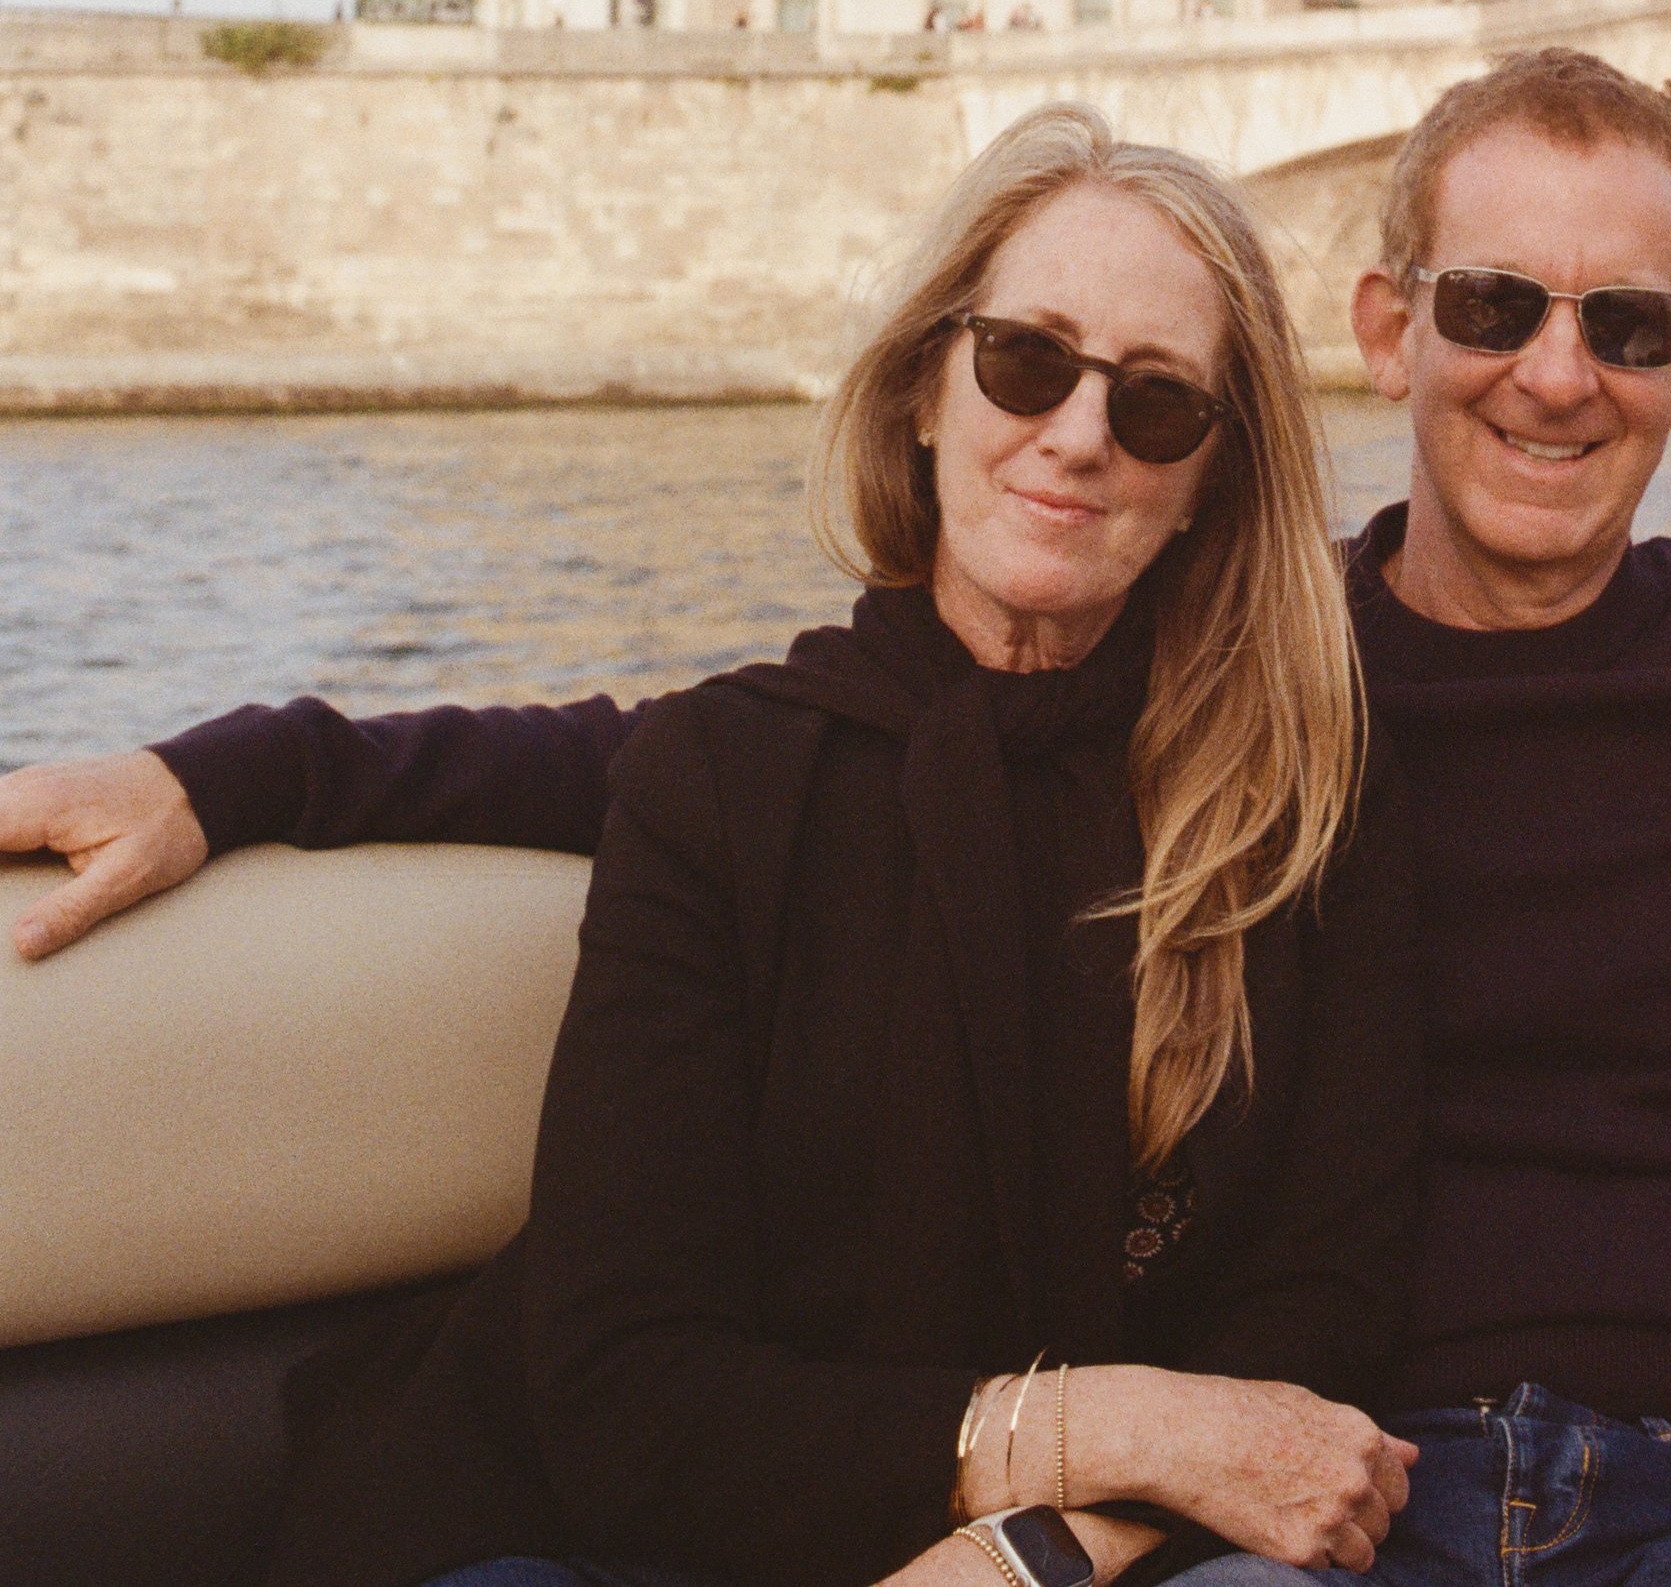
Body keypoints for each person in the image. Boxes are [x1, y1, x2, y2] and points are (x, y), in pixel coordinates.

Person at [14, 47, 1671, 1587]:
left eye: (1623, 326)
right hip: (1326, 1495)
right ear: (1386, 323)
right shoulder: (1209, 699)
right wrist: (237, 768)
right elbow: (685, 748)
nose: (1554, 376)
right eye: (1498, 310)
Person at [233, 106, 1422, 1587]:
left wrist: (1034, 1551)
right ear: (926, 385)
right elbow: (629, 1405)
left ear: (1208, 487)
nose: (1076, 433)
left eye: (1157, 401)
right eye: (1025, 358)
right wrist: (228, 771)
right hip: (572, 1533)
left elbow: (1308, 1331)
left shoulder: (1297, 817)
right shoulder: (725, 775)